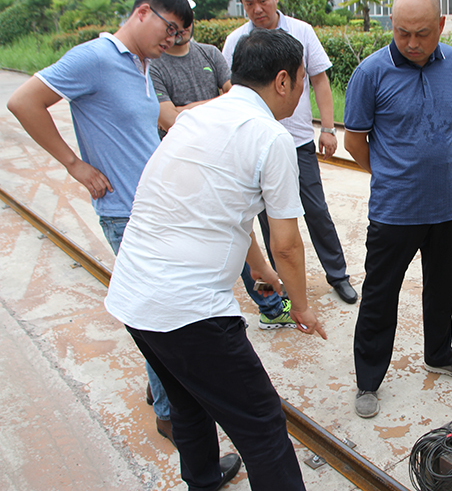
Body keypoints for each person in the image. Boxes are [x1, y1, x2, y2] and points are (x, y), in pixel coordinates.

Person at [105, 28, 326, 491]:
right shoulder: (271, 136)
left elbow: (217, 203)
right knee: (262, 423)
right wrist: (302, 307)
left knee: (187, 400)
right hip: (190, 310)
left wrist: (258, 266)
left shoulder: (195, 118)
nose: (301, 92)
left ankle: (203, 480)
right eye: (302, 81)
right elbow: (288, 243)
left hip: (132, 293)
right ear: (283, 81)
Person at [7, 0, 194, 447]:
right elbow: (23, 101)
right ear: (143, 12)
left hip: (150, 209)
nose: (171, 40)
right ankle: (171, 416)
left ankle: (160, 391)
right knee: (157, 317)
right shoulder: (94, 58)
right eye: (169, 29)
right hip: (125, 214)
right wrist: (75, 164)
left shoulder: (142, 64)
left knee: (162, 309)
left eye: (178, 34)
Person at [343, 0, 452, 419]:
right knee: (380, 295)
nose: (412, 43)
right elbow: (354, 142)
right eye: (402, 32)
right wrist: (392, 172)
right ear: (392, 25)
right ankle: (368, 380)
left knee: (441, 286)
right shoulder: (371, 73)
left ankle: (439, 354)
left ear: (441, 25)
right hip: (394, 211)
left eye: (422, 33)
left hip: (447, 206)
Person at [222, 0, 358, 318]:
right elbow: (229, 90)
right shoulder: (236, 41)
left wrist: (327, 128)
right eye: (248, 4)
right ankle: (282, 286)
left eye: (262, 0)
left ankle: (338, 275)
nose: (257, 9)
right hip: (256, 147)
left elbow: (320, 80)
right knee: (269, 220)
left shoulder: (301, 31)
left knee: (316, 211)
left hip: (297, 142)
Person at [151, 21, 286, 325]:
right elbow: (170, 118)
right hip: (189, 166)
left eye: (185, 22)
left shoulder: (209, 54)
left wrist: (191, 108)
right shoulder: (157, 66)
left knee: (240, 237)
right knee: (212, 244)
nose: (179, 31)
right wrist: (224, 102)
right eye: (172, 25)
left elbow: (233, 94)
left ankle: (271, 306)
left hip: (227, 156)